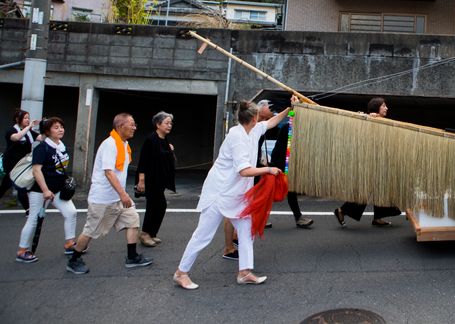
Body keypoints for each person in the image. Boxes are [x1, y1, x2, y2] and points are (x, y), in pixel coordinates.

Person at [173, 98, 294, 290]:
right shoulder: (236, 137)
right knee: (203, 235)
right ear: (254, 118)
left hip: (237, 194)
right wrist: (268, 170)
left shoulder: (253, 129)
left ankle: (244, 272)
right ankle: (181, 273)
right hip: (219, 192)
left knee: (246, 231)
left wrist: (290, 108)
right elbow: (244, 170)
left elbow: (271, 122)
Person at [66, 113, 152, 275]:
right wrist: (123, 194)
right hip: (102, 198)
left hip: (118, 197)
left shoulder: (124, 145)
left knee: (133, 220)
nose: (135, 127)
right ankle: (74, 259)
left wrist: (122, 195)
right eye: (131, 124)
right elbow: (109, 172)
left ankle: (132, 257)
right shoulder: (110, 144)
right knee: (90, 231)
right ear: (120, 126)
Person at [15, 117, 77, 263]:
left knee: (71, 212)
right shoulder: (42, 148)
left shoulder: (61, 146)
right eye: (56, 127)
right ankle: (22, 250)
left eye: (61, 126)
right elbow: (37, 171)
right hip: (40, 191)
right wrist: (45, 190)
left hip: (57, 189)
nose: (60, 129)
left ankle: (70, 244)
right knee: (34, 219)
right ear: (47, 131)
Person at [334, 97, 402, 227]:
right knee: (368, 190)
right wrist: (368, 117)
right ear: (377, 108)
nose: (386, 108)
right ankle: (342, 210)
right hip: (371, 161)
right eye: (383, 106)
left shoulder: (383, 121)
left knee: (380, 189)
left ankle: (378, 217)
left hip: (380, 160)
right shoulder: (369, 119)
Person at [256, 99, 314, 229]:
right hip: (277, 163)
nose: (270, 113)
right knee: (268, 191)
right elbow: (291, 119)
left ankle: (298, 217)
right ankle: (259, 217)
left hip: (286, 163)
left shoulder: (297, 128)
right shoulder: (286, 127)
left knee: (290, 190)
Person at [135, 111, 176, 247]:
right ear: (158, 124)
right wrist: (141, 180)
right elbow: (143, 161)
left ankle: (152, 233)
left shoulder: (165, 140)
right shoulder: (151, 139)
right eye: (166, 123)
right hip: (151, 179)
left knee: (160, 205)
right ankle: (145, 233)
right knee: (153, 205)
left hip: (161, 179)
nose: (169, 125)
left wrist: (170, 150)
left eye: (170, 123)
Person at [1, 109, 40, 213]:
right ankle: (28, 210)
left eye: (28, 118)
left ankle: (28, 210)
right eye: (25, 118)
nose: (28, 120)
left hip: (23, 164)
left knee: (11, 184)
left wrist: (47, 127)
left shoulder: (29, 132)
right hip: (11, 162)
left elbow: (40, 137)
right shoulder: (12, 130)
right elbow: (17, 138)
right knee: (15, 184)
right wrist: (28, 127)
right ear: (18, 119)